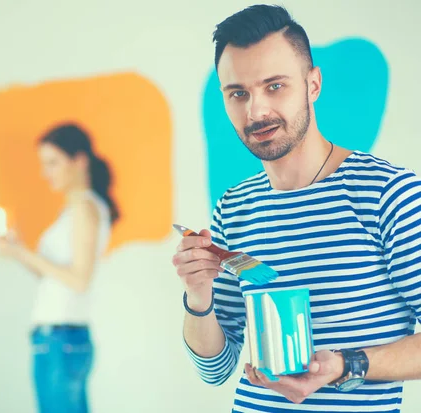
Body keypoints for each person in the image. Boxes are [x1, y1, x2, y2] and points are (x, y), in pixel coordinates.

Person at [172, 4, 421, 412]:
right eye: (238, 93)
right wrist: (198, 296)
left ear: (313, 84)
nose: (256, 111)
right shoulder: (233, 208)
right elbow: (215, 370)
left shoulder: (388, 194)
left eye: (275, 86)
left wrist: (345, 365)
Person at [0, 122, 119, 413]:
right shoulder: (76, 207)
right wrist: (17, 252)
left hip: (60, 341)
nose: (45, 173)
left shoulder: (84, 207)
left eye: (52, 163)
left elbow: (78, 280)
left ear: (79, 161)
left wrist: (21, 251)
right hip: (59, 340)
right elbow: (53, 276)